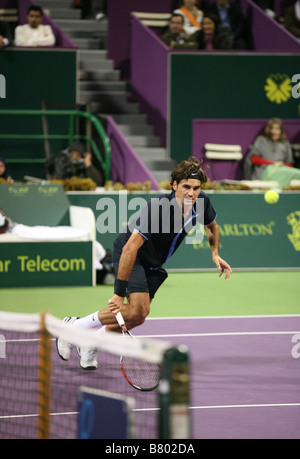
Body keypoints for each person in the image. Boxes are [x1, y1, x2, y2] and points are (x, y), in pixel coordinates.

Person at [56, 156, 232, 370]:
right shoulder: (158, 209)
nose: (191, 193)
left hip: (153, 262)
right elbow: (130, 248)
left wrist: (215, 253)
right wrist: (119, 293)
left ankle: (91, 343)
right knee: (133, 309)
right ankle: (73, 327)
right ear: (174, 185)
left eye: (196, 188)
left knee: (138, 316)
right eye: (186, 186)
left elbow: (213, 226)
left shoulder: (201, 202)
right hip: (132, 255)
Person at [244, 118, 300, 187]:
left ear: (281, 130)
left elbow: (289, 165)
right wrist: (273, 163)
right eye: (272, 128)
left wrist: (280, 165)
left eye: (277, 128)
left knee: (297, 174)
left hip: (282, 170)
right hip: (265, 171)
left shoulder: (285, 144)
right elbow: (253, 159)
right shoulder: (261, 140)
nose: (274, 131)